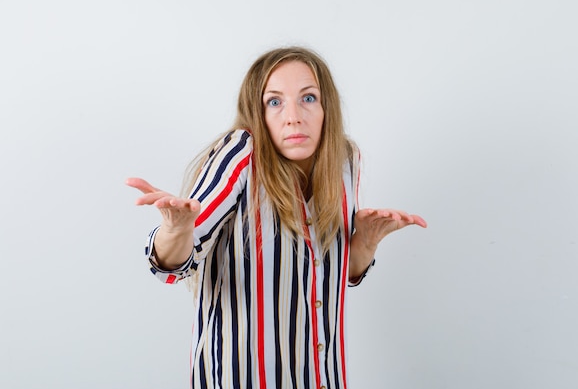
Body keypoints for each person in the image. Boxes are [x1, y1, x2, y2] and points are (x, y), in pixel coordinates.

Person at [126, 46, 426, 389]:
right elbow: (176, 262)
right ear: (257, 110)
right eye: (275, 101)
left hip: (321, 377)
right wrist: (175, 229)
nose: (293, 116)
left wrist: (367, 241)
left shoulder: (344, 160)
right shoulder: (241, 152)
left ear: (327, 106)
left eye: (309, 98)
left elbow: (335, 274)